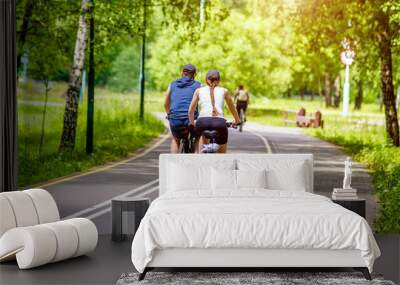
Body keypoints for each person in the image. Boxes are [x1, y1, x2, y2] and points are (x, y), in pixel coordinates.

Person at [188, 70, 241, 153]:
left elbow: (190, 111)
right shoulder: (224, 91)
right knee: (222, 145)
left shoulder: (198, 91)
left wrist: (192, 124)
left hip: (202, 122)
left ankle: (201, 157)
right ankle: (221, 158)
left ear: (206, 80)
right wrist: (237, 120)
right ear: (219, 81)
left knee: (202, 134)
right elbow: (232, 107)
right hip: (219, 123)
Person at [164, 64, 201, 153]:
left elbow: (166, 103)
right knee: (198, 137)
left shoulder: (172, 84)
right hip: (192, 119)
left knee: (175, 139)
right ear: (194, 74)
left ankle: (173, 164)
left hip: (175, 119)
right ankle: (198, 159)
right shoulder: (198, 85)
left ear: (182, 73)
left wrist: (169, 115)